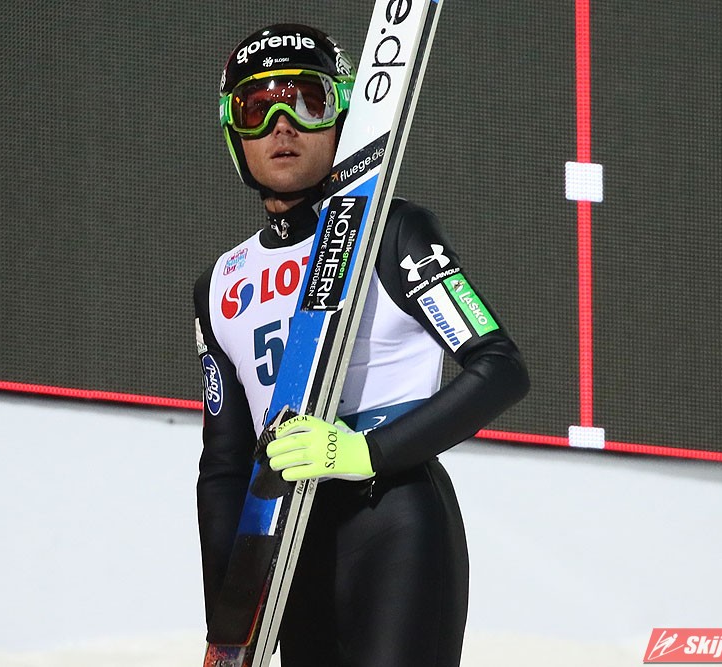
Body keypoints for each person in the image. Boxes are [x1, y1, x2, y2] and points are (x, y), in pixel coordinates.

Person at [194, 23, 530, 667]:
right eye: (257, 108)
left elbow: (500, 368)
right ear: (234, 134)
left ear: (343, 118)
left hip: (393, 515)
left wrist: (365, 453)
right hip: (290, 542)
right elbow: (225, 463)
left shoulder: (393, 231)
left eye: (308, 101)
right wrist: (227, 624)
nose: (283, 126)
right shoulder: (219, 284)